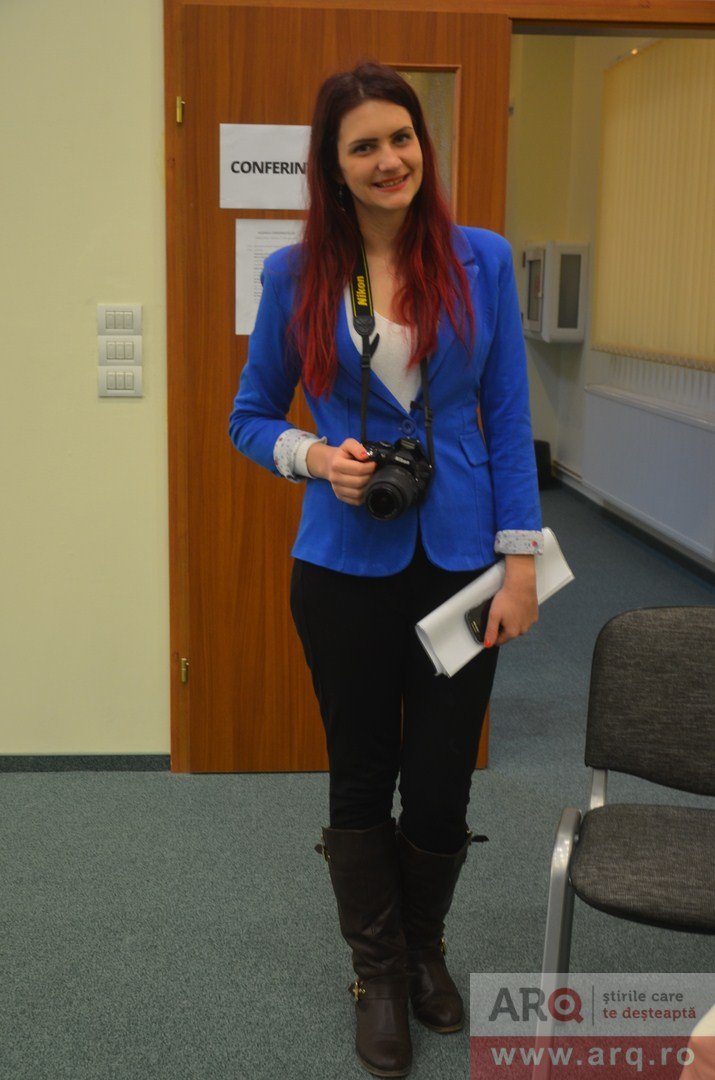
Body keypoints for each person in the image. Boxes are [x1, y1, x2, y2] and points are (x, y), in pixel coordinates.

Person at [229, 61, 543, 1079]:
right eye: (362, 145)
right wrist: (314, 456)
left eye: (400, 137)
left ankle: (422, 949)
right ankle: (375, 972)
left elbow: (508, 422)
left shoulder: (481, 259)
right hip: (344, 567)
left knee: (442, 780)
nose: (387, 159)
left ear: (422, 144)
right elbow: (249, 417)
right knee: (361, 770)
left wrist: (521, 563)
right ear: (333, 164)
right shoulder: (295, 274)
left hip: (462, 563)